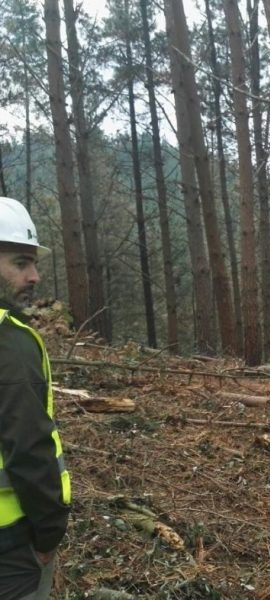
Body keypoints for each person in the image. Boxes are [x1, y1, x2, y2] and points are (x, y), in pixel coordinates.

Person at [0, 197, 71, 598]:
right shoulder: (11, 343)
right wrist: (48, 533)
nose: (35, 277)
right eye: (20, 263)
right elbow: (28, 448)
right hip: (11, 546)